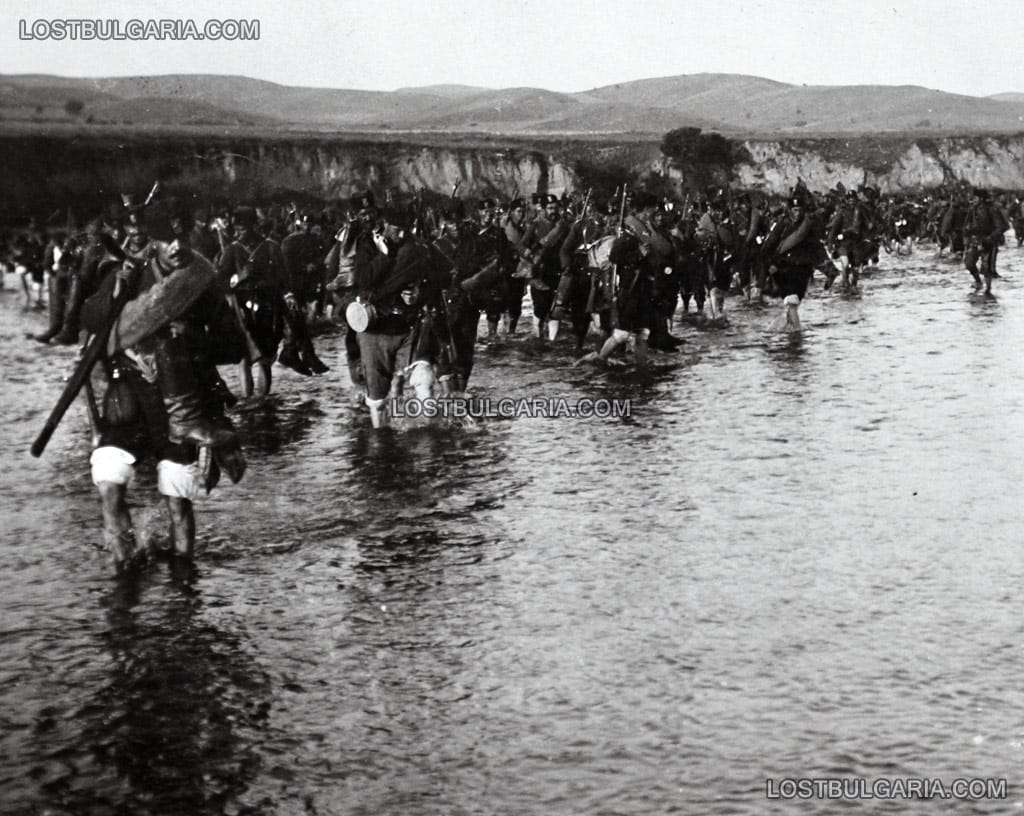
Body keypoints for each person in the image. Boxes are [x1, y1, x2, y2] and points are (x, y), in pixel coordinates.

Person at [82, 204, 244, 570]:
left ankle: (183, 583)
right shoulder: (125, 276)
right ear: (152, 244)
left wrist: (192, 338)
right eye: (163, 240)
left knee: (177, 503)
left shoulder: (200, 284)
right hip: (126, 403)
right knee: (109, 488)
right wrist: (116, 289)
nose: (173, 247)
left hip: (179, 405)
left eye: (179, 239)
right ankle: (126, 571)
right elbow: (90, 319)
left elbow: (233, 346)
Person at [352, 207, 436, 428]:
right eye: (397, 230)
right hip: (376, 329)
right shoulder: (367, 245)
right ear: (384, 225)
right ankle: (382, 443)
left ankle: (431, 438)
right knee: (378, 401)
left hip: (408, 326)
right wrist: (384, 255)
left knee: (423, 381)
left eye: (405, 230)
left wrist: (418, 294)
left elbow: (436, 277)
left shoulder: (415, 247)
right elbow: (363, 280)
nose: (401, 235)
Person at [217, 206, 289, 398]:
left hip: (267, 307)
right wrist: (238, 278)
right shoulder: (231, 251)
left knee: (265, 358)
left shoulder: (271, 247)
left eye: (244, 228)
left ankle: (262, 400)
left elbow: (283, 279)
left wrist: (263, 283)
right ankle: (248, 402)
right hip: (240, 311)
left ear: (254, 226)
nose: (240, 233)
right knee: (244, 358)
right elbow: (220, 282)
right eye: (237, 229)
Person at [963, 188, 1009, 294]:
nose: (973, 199)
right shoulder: (972, 210)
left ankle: (988, 290)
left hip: (988, 242)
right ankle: (978, 282)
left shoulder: (991, 209)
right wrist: (966, 239)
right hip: (975, 241)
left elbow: (1000, 227)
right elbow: (966, 226)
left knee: (986, 268)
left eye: (975, 197)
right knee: (969, 263)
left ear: (981, 198)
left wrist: (990, 238)